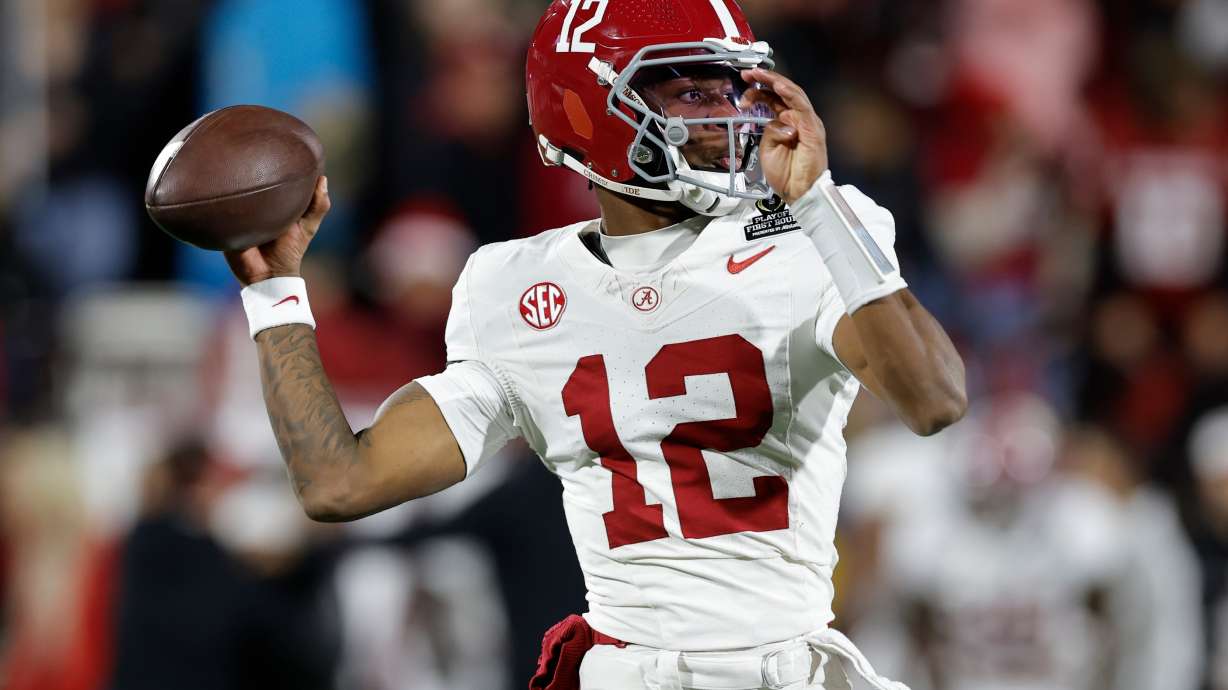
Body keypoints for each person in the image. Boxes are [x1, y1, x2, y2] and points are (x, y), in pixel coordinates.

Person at [222, 1, 966, 688]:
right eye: (691, 92)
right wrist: (274, 290)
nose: (730, 116)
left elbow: (934, 399)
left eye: (731, 88)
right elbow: (339, 484)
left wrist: (818, 205)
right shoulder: (510, 286)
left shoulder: (815, 230)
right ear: (589, 111)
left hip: (784, 668)